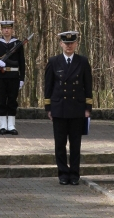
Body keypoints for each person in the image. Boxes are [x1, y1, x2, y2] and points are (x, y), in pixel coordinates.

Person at [44, 30, 93, 186]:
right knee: (60, 144)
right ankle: (63, 174)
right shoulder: (53, 62)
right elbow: (48, 86)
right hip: (59, 108)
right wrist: (48, 108)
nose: (69, 46)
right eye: (66, 43)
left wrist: (88, 108)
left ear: (76, 44)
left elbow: (88, 86)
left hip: (77, 108)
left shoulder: (83, 62)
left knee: (75, 144)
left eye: (72, 43)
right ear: (61, 44)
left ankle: (74, 174)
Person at [0, 19, 26, 134]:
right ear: (1, 30)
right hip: (1, 76)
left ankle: (11, 126)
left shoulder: (18, 43)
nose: (6, 30)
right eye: (4, 28)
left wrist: (22, 78)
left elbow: (22, 62)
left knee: (12, 100)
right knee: (2, 100)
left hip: (13, 76)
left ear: (12, 29)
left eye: (9, 28)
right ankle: (2, 126)